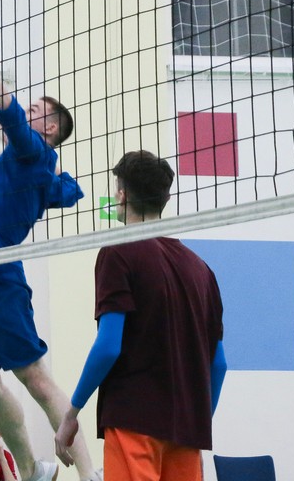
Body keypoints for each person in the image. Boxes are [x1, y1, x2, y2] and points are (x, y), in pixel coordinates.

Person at [0, 36, 97, 481]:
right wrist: (55, 167)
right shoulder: (37, 165)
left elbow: (8, 113)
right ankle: (32, 469)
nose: (27, 111)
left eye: (36, 110)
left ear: (48, 128)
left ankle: (89, 473)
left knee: (35, 378)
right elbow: (71, 191)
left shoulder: (32, 151)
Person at [54, 150, 226, 481]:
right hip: (187, 432)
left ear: (121, 194)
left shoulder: (118, 249)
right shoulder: (203, 270)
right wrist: (197, 423)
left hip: (133, 420)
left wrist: (71, 413)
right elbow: (218, 365)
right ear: (165, 198)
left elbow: (108, 346)